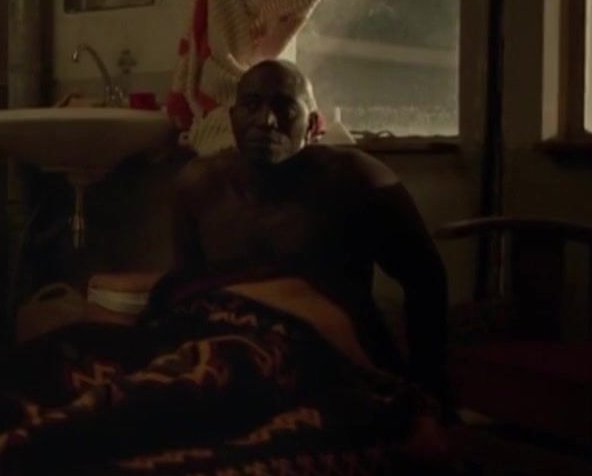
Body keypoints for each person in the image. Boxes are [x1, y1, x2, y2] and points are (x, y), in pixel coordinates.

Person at [171, 59, 450, 405]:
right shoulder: (199, 185)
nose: (266, 120)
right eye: (252, 105)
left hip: (333, 364)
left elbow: (426, 280)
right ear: (232, 118)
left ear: (314, 124)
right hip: (235, 364)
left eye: (285, 108)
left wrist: (429, 388)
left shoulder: (357, 180)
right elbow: (185, 292)